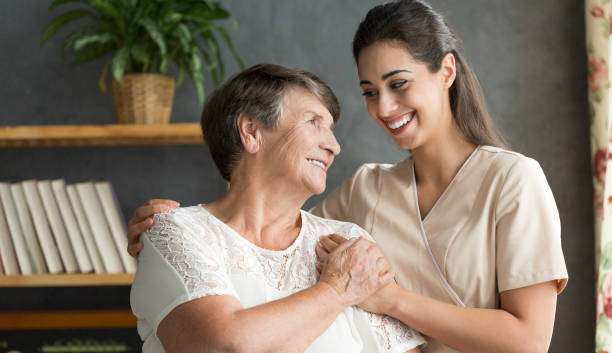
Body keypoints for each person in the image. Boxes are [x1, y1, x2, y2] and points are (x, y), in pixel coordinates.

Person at [128, 1, 568, 352]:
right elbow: (271, 234)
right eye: (370, 93)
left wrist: (390, 300)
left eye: (398, 84)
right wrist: (168, 228)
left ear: (446, 71)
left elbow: (528, 341)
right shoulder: (368, 188)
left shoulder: (513, 180)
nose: (384, 109)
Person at [129, 63, 425, 353]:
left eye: (331, 129)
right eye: (313, 122)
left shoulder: (347, 243)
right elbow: (224, 346)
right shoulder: (174, 231)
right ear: (252, 132)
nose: (334, 146)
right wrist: (336, 290)